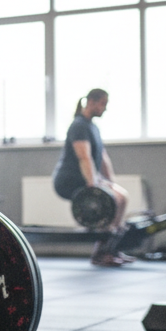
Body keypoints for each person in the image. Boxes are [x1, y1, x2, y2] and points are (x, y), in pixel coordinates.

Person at [52, 88, 131, 267]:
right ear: (91, 102)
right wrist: (93, 184)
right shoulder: (79, 126)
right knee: (114, 199)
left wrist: (110, 183)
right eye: (103, 104)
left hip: (86, 177)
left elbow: (103, 158)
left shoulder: (92, 127)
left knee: (121, 197)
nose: (105, 108)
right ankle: (101, 253)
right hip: (70, 181)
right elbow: (84, 157)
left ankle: (110, 249)